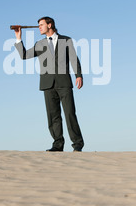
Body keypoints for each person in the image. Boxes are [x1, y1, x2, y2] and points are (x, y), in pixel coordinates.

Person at [13, 16, 84, 152]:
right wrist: (18, 38)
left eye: (41, 24)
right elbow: (24, 55)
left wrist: (79, 75)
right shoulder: (39, 44)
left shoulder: (66, 40)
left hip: (64, 83)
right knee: (53, 116)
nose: (39, 27)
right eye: (38, 25)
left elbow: (74, 59)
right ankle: (58, 144)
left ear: (50, 25)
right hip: (47, 84)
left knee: (70, 113)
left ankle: (77, 144)